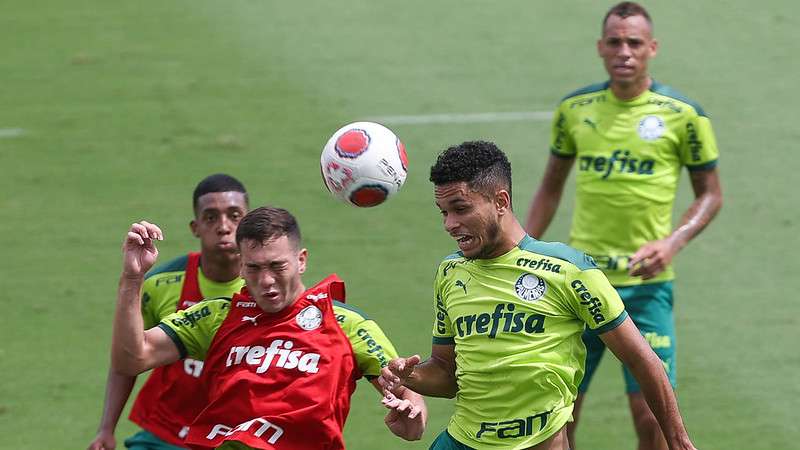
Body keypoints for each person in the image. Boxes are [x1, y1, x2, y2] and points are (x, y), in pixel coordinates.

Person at [379, 141, 698, 450]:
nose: (450, 224)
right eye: (443, 212)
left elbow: (642, 360)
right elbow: (448, 374)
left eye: (460, 209)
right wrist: (410, 377)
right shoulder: (450, 273)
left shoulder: (568, 270)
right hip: (461, 442)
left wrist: (679, 441)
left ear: (501, 202)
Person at [525, 3, 722, 449]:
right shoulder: (575, 110)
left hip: (646, 288)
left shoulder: (685, 116)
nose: (624, 52)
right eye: (614, 42)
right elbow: (550, 187)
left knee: (652, 416)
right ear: (600, 48)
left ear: (652, 48)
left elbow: (711, 194)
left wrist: (673, 243)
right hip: (581, 283)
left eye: (634, 42)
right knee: (560, 411)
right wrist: (527, 251)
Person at [111, 206, 426, 449]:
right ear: (241, 264)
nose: (266, 281)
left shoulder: (346, 323)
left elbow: (410, 405)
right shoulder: (216, 317)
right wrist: (132, 278)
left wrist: (411, 413)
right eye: (254, 268)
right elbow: (131, 359)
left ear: (301, 260)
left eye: (277, 266)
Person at [89, 173, 250, 450]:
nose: (224, 227)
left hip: (233, 438)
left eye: (234, 216)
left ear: (247, 222)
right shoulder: (161, 283)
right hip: (166, 433)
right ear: (195, 227)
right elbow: (127, 355)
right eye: (211, 217)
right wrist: (106, 428)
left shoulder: (266, 287)